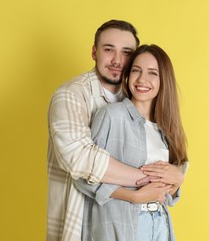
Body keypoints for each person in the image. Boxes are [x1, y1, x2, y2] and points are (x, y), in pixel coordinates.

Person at [47, 20, 173, 241]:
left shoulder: (138, 99)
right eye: (108, 49)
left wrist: (176, 176)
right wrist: (149, 180)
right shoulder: (71, 95)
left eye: (126, 52)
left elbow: (167, 156)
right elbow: (80, 158)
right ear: (94, 52)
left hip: (136, 224)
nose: (117, 60)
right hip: (82, 222)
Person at [74, 44, 189, 241]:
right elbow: (84, 176)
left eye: (152, 73)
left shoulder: (166, 128)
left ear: (164, 81)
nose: (142, 79)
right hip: (123, 226)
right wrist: (134, 197)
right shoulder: (112, 116)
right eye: (136, 70)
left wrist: (178, 180)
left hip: (160, 224)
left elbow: (165, 193)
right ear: (127, 75)